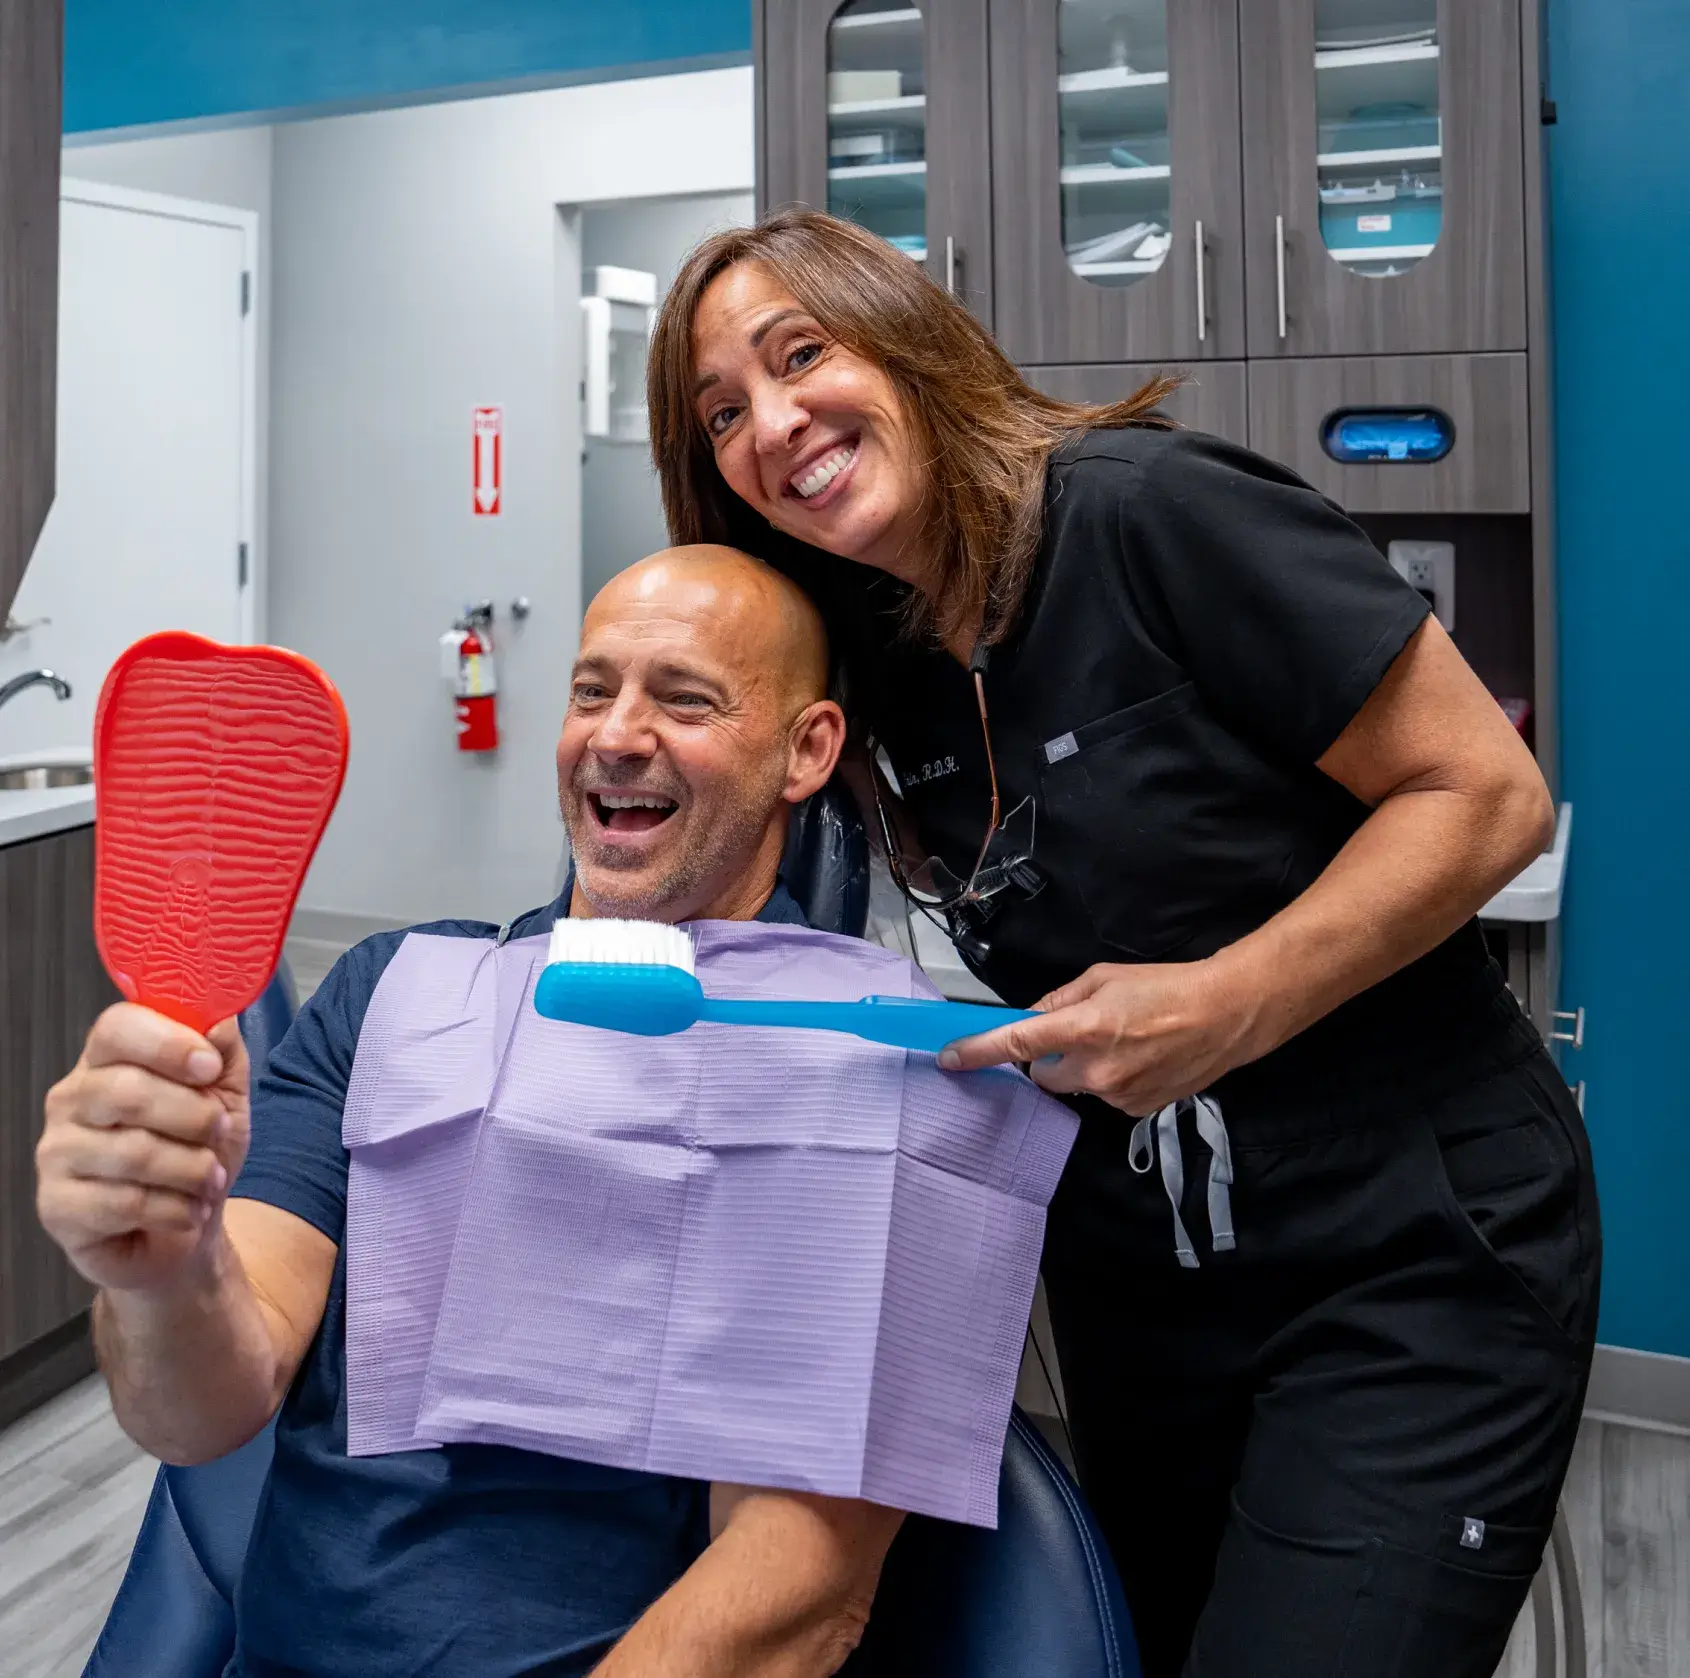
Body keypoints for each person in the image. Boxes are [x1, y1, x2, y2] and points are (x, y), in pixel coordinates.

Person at [647, 208, 1601, 1678]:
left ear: (900, 343)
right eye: (721, 412)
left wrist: (1225, 1000)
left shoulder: (1146, 513)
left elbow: (1485, 794)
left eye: (799, 354)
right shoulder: (882, 652)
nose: (774, 422)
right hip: (1142, 1273)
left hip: (1403, 1245)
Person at [38, 548, 932, 1678]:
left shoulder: (854, 1065)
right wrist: (160, 1269)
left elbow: (799, 1583)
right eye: (591, 689)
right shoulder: (391, 992)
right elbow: (196, 1413)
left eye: (684, 697)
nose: (615, 733)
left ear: (806, 750)